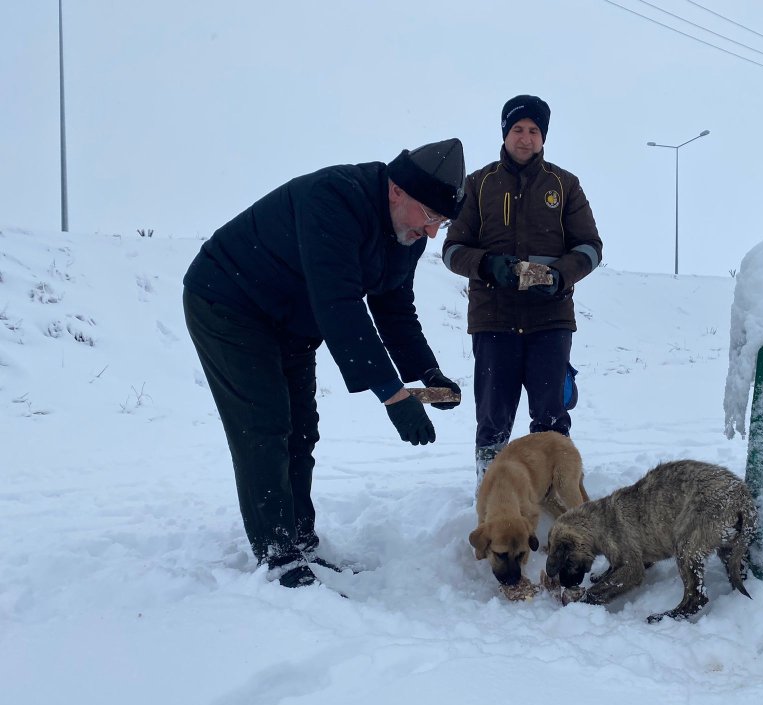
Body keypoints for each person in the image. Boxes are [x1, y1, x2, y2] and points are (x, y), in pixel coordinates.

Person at [183, 138, 466, 588]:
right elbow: (340, 306)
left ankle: (300, 542)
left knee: (301, 428)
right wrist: (393, 396)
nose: (432, 232)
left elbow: (393, 306)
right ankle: (278, 554)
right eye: (430, 216)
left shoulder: (407, 234)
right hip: (231, 301)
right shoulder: (334, 199)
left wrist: (426, 371)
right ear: (396, 190)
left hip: (293, 320)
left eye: (442, 221)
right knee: (264, 424)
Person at [442, 95, 602, 484]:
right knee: (493, 417)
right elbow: (451, 250)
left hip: (550, 319)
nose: (526, 138)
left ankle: (558, 496)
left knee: (550, 416)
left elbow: (591, 248)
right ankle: (492, 497)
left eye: (534, 130)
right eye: (518, 129)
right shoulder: (478, 184)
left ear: (543, 137)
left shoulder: (565, 185)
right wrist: (488, 265)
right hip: (494, 318)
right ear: (505, 133)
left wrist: (559, 276)